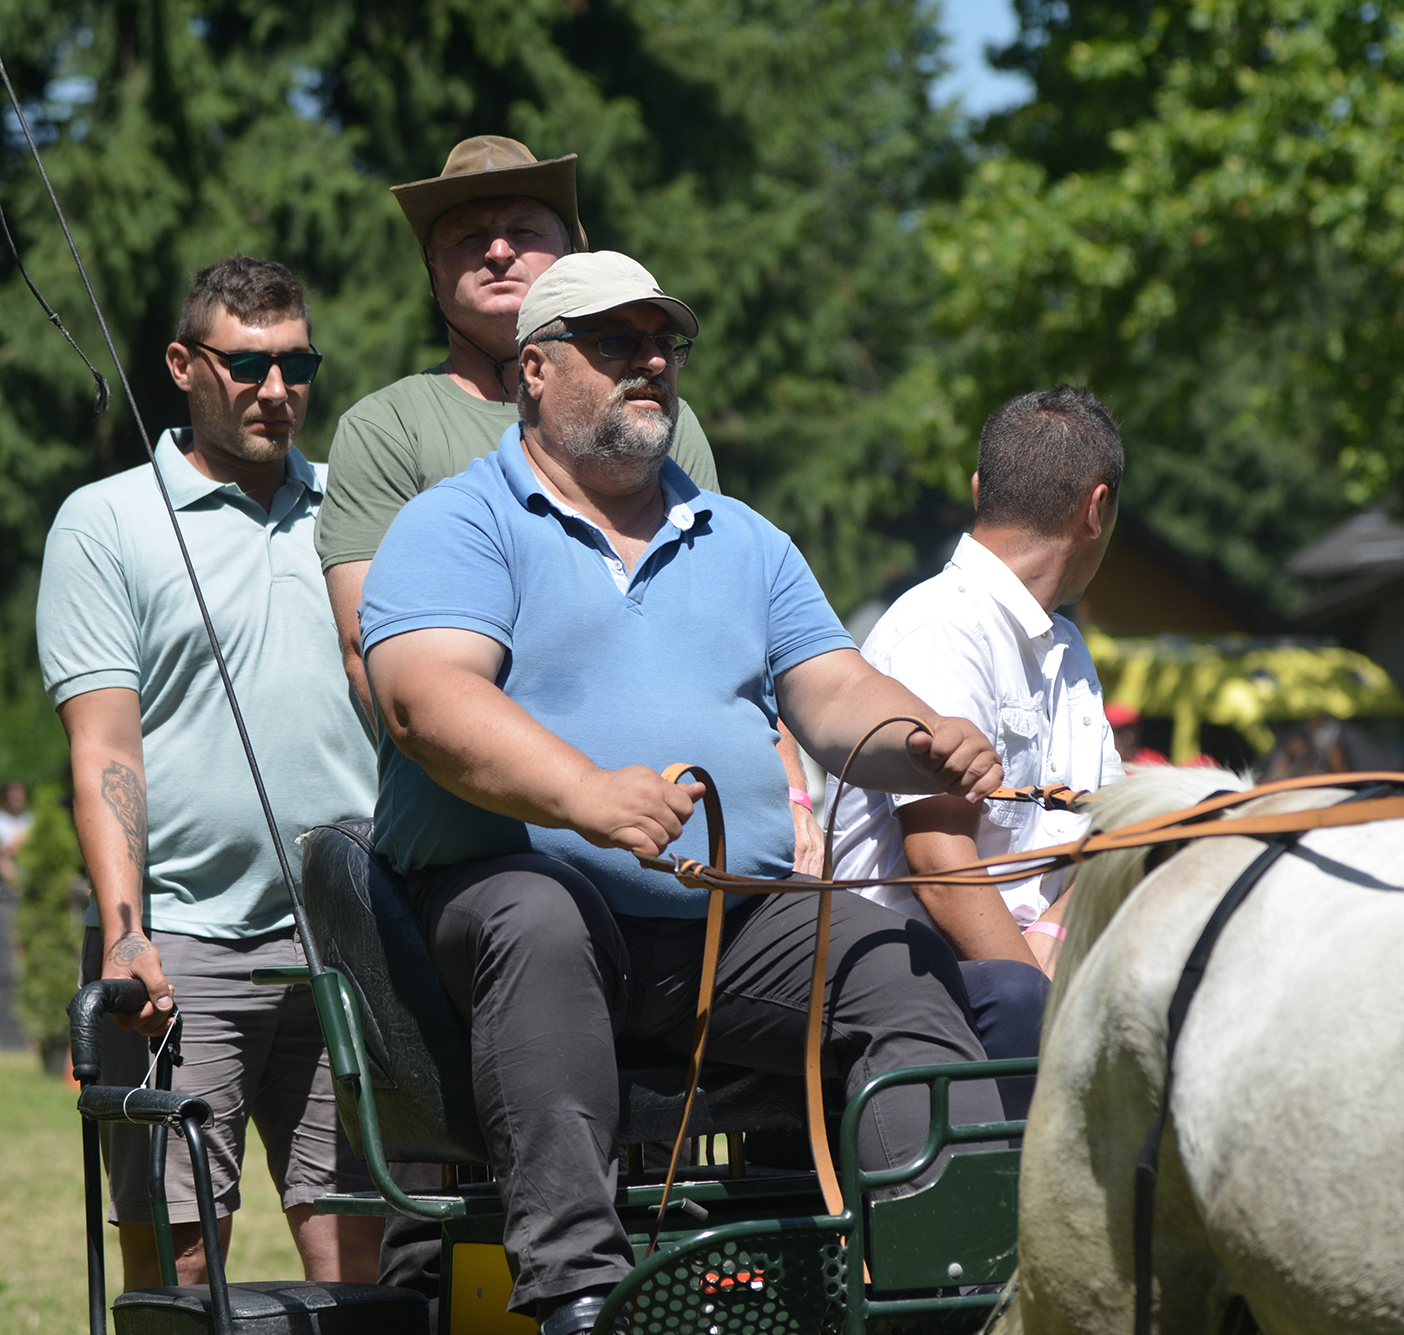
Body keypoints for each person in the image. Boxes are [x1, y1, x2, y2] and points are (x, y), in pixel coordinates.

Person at [358, 251, 1007, 1333]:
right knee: (538, 912)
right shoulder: (456, 523)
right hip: (498, 916)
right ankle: (578, 1295)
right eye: (614, 343)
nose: (650, 362)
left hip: (722, 931)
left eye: (662, 343)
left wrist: (921, 740)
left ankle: (942, 1286)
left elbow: (835, 688)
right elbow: (426, 702)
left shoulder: (741, 538)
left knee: (888, 963)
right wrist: (583, 796)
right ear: (534, 368)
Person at [317, 135, 825, 870]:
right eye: (466, 237)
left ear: (570, 253)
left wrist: (790, 796)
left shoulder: (655, 423)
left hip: (681, 837)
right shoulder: (388, 426)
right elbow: (374, 660)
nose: (497, 251)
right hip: (496, 851)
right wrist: (521, 796)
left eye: (524, 231)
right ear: (432, 270)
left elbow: (735, 638)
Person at [37, 255, 381, 1291]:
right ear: (183, 366)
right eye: (245, 366)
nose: (276, 391)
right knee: (179, 1262)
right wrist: (127, 931)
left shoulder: (358, 512)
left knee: (357, 1251)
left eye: (296, 364)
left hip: (352, 936)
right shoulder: (106, 522)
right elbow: (103, 748)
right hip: (181, 946)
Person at [825, 384, 1127, 1120]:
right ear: (1097, 509)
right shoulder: (943, 626)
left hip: (1028, 961)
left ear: (978, 490)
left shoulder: (1065, 642)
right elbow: (939, 863)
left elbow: (1113, 829)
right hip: (914, 969)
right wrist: (1050, 1007)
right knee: (1027, 1001)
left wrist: (1059, 933)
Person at [1106, 701, 1169, 769]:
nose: (1129, 737)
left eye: (1132, 729)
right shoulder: (1097, 764)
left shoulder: (1155, 763)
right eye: (1119, 731)